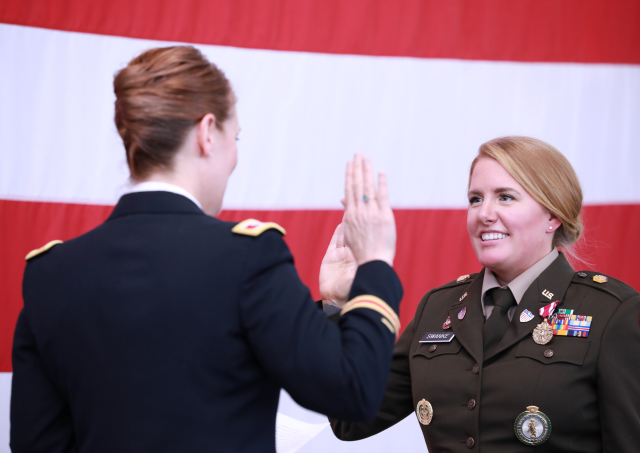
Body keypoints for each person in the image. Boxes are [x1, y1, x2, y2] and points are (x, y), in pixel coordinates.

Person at [10, 45, 403, 453]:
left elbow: (35, 444)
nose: (235, 155)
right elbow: (352, 391)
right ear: (206, 132)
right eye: (236, 137)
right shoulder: (248, 258)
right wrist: (374, 263)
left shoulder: (50, 274)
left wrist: (336, 301)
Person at [328, 136, 640, 452]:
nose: (484, 214)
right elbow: (350, 415)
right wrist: (338, 303)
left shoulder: (612, 313)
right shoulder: (438, 307)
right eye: (476, 199)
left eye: (505, 197)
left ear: (553, 215)